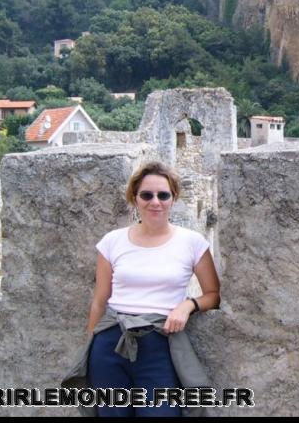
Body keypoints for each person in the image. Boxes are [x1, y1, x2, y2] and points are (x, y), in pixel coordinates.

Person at [63, 161, 220, 417]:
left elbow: (213, 295)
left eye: (163, 195)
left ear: (174, 198)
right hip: (110, 345)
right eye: (146, 195)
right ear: (134, 198)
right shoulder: (112, 242)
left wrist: (188, 305)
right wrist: (89, 349)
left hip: (159, 345)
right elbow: (100, 301)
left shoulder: (192, 243)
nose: (155, 201)